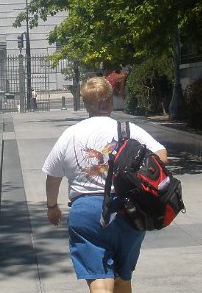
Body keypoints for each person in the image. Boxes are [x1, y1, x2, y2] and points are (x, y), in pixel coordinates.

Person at [42, 76, 167, 293]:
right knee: (122, 277)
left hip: (86, 212)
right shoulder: (127, 131)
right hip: (128, 210)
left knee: (99, 277)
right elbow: (161, 155)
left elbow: (52, 176)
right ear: (110, 101)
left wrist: (52, 207)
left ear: (85, 103)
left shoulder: (70, 134)